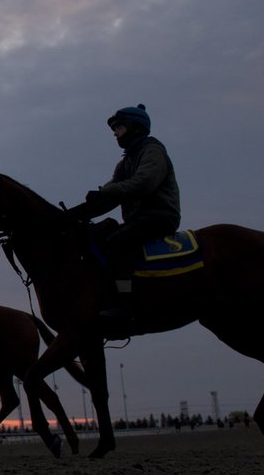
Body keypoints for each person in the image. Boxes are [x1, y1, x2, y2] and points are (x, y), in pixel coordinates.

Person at [69, 104, 181, 319]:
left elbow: (144, 183)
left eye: (119, 127)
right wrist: (78, 215)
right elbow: (111, 196)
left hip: (159, 216)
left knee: (116, 244)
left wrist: (107, 191)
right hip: (138, 218)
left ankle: (126, 305)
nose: (115, 133)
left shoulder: (152, 151)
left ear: (136, 127)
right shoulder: (126, 161)